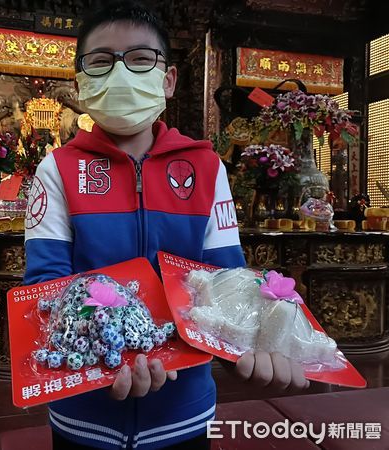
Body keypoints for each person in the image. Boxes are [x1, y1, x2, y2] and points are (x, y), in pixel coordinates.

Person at [23, 2, 309, 449]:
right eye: (101, 62)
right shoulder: (57, 169)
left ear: (168, 80)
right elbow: (46, 286)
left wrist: (255, 346)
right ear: (80, 83)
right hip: (85, 409)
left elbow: (227, 281)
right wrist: (102, 350)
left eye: (139, 59)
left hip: (185, 408)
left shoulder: (207, 167)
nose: (120, 74)